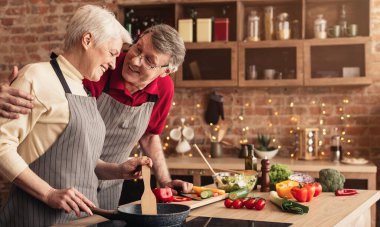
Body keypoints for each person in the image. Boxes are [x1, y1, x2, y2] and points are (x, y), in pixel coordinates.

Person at [0, 24, 193, 209]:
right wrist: (18, 89)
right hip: (60, 180)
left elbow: (149, 135)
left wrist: (165, 180)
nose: (134, 60)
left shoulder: (164, 88)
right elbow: (53, 87)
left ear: (166, 71)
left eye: (149, 61)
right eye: (137, 48)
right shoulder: (101, 68)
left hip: (113, 181)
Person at [0, 5, 152, 226]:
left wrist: (118, 170)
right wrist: (48, 193)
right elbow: (2, 146)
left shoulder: (84, 88)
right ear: (87, 40)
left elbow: (82, 161)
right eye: (111, 53)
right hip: (35, 218)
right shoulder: (36, 76)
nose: (112, 64)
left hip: (80, 221)